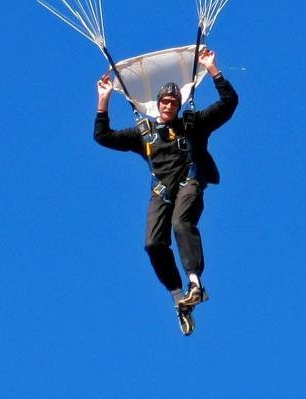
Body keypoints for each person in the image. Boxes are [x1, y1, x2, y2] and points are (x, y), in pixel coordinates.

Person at [93, 46, 239, 335]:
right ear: (158, 104)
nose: (169, 105)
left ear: (179, 104)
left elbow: (229, 102)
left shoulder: (192, 125)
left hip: (191, 182)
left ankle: (195, 283)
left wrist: (213, 68)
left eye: (174, 101)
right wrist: (103, 100)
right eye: (165, 101)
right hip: (162, 191)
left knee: (181, 222)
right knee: (153, 244)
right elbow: (103, 136)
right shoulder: (144, 133)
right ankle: (179, 299)